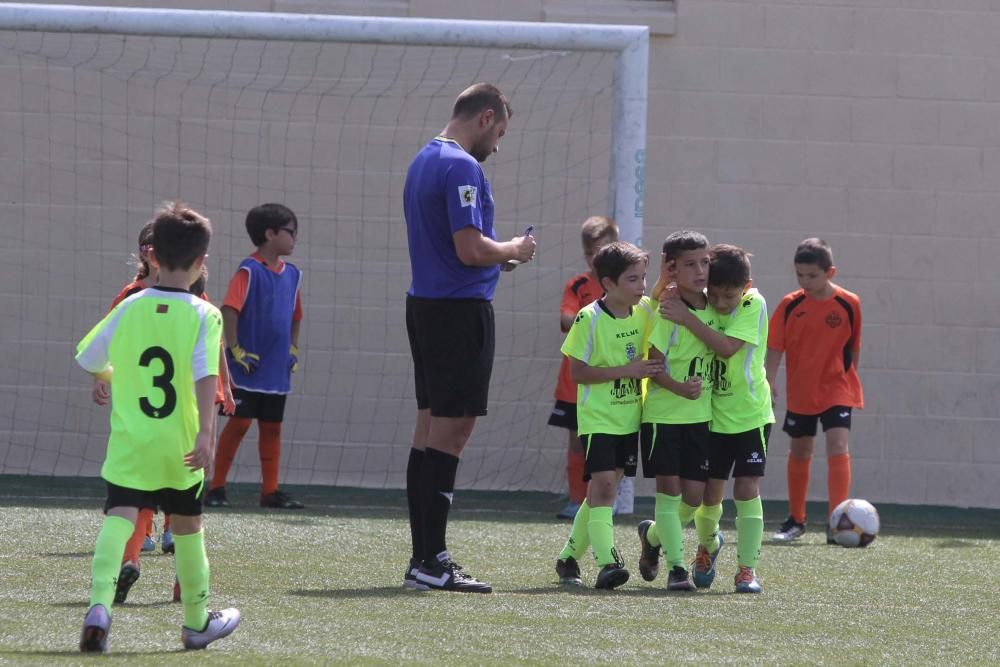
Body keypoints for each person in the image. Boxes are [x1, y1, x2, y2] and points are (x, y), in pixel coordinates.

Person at [75, 202, 240, 652]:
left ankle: (98, 608)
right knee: (187, 527)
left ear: (151, 256)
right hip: (180, 445)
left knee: (119, 519)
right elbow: (208, 375)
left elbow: (88, 357)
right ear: (201, 261)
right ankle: (195, 621)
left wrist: (113, 377)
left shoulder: (130, 307)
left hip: (132, 441)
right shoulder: (205, 314)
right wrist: (206, 436)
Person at [403, 83, 536, 593]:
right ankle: (432, 560)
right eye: (499, 132)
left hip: (427, 306)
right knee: (451, 433)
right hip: (458, 312)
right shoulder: (461, 165)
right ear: (485, 118)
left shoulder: (423, 158)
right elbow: (470, 248)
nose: (497, 145)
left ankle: (423, 559)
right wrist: (515, 249)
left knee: (427, 430)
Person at [659, 244, 773, 593]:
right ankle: (707, 546)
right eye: (716, 295)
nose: (722, 304)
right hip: (712, 415)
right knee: (709, 495)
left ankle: (747, 570)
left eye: (729, 297)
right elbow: (664, 301)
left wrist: (687, 317)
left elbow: (726, 348)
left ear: (746, 286)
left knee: (746, 487)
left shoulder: (754, 303)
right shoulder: (703, 302)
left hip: (751, 415)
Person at [553, 241, 661, 589]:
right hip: (598, 418)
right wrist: (627, 369)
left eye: (644, 278)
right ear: (608, 283)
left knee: (603, 491)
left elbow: (659, 300)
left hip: (629, 419)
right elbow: (579, 373)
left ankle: (568, 558)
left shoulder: (643, 309)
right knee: (602, 488)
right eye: (633, 279)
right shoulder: (589, 318)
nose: (641, 286)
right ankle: (607, 561)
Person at [205, 203, 305, 510]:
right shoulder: (249, 271)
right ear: (269, 233)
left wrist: (292, 347)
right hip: (249, 367)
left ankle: (270, 491)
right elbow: (229, 310)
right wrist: (235, 349)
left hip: (276, 369)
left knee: (272, 426)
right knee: (240, 423)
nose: (295, 238)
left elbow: (296, 316)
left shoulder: (293, 275)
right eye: (290, 232)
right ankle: (217, 487)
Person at [766, 238, 863, 543]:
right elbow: (774, 348)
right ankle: (796, 520)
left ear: (830, 272)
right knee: (801, 450)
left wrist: (847, 379)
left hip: (837, 388)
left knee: (837, 445)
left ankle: (838, 521)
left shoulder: (850, 303)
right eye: (800, 275)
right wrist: (769, 381)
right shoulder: (790, 304)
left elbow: (854, 347)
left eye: (812, 275)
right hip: (802, 390)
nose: (805, 282)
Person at [634, 230, 713, 592]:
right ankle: (677, 569)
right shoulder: (667, 310)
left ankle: (651, 536)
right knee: (668, 492)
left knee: (693, 498)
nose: (700, 271)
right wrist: (680, 388)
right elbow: (655, 366)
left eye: (704, 262)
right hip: (663, 416)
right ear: (672, 269)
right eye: (690, 264)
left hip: (700, 418)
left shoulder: (716, 307)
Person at [548, 215, 627, 520]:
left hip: (612, 384)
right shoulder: (578, 285)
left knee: (610, 445)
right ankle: (576, 499)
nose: (596, 259)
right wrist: (596, 319)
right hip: (574, 384)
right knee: (578, 443)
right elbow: (567, 320)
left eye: (602, 250)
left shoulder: (623, 285)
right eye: (590, 253)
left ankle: (607, 497)